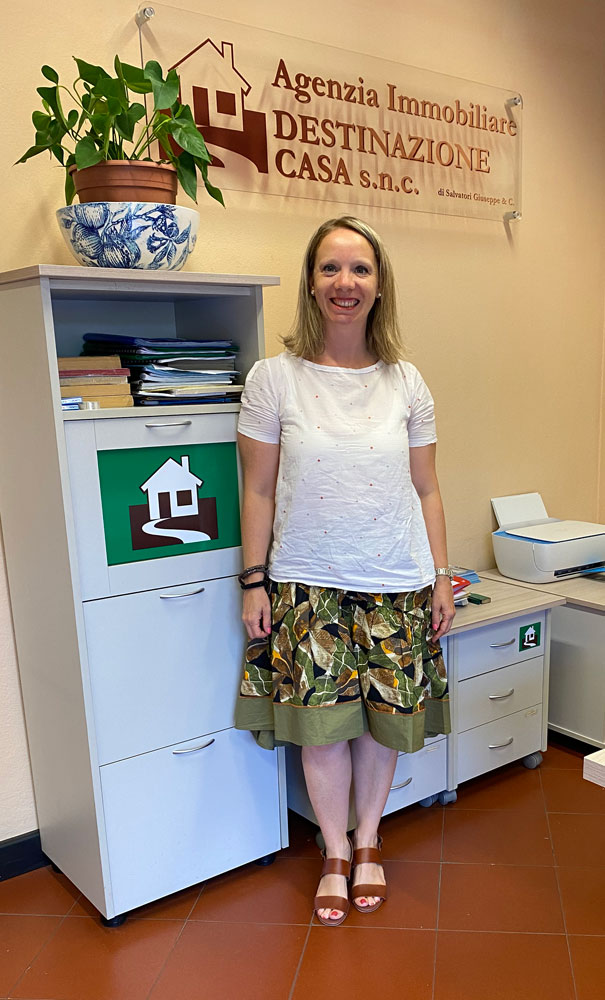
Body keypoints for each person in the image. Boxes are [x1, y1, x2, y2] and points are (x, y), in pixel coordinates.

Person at [234, 216, 454, 926]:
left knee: (379, 729)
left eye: (360, 269)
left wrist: (441, 575)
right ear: (310, 281)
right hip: (307, 586)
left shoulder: (406, 381)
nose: (344, 283)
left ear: (379, 284)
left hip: (397, 582)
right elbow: (257, 490)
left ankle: (368, 842)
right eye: (330, 268)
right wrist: (253, 581)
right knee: (323, 730)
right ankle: (333, 851)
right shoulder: (274, 379)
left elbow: (426, 488)